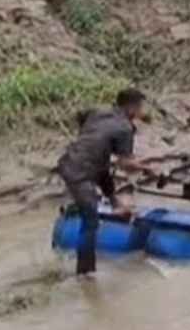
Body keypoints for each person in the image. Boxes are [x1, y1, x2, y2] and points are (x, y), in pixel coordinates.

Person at [56, 88, 159, 276]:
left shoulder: (98, 111)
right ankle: (85, 273)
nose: (141, 112)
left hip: (70, 160)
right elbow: (125, 164)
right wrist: (148, 169)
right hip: (81, 172)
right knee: (91, 221)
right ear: (132, 107)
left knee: (104, 171)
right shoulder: (125, 127)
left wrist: (89, 139)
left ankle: (115, 204)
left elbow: (80, 116)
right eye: (140, 107)